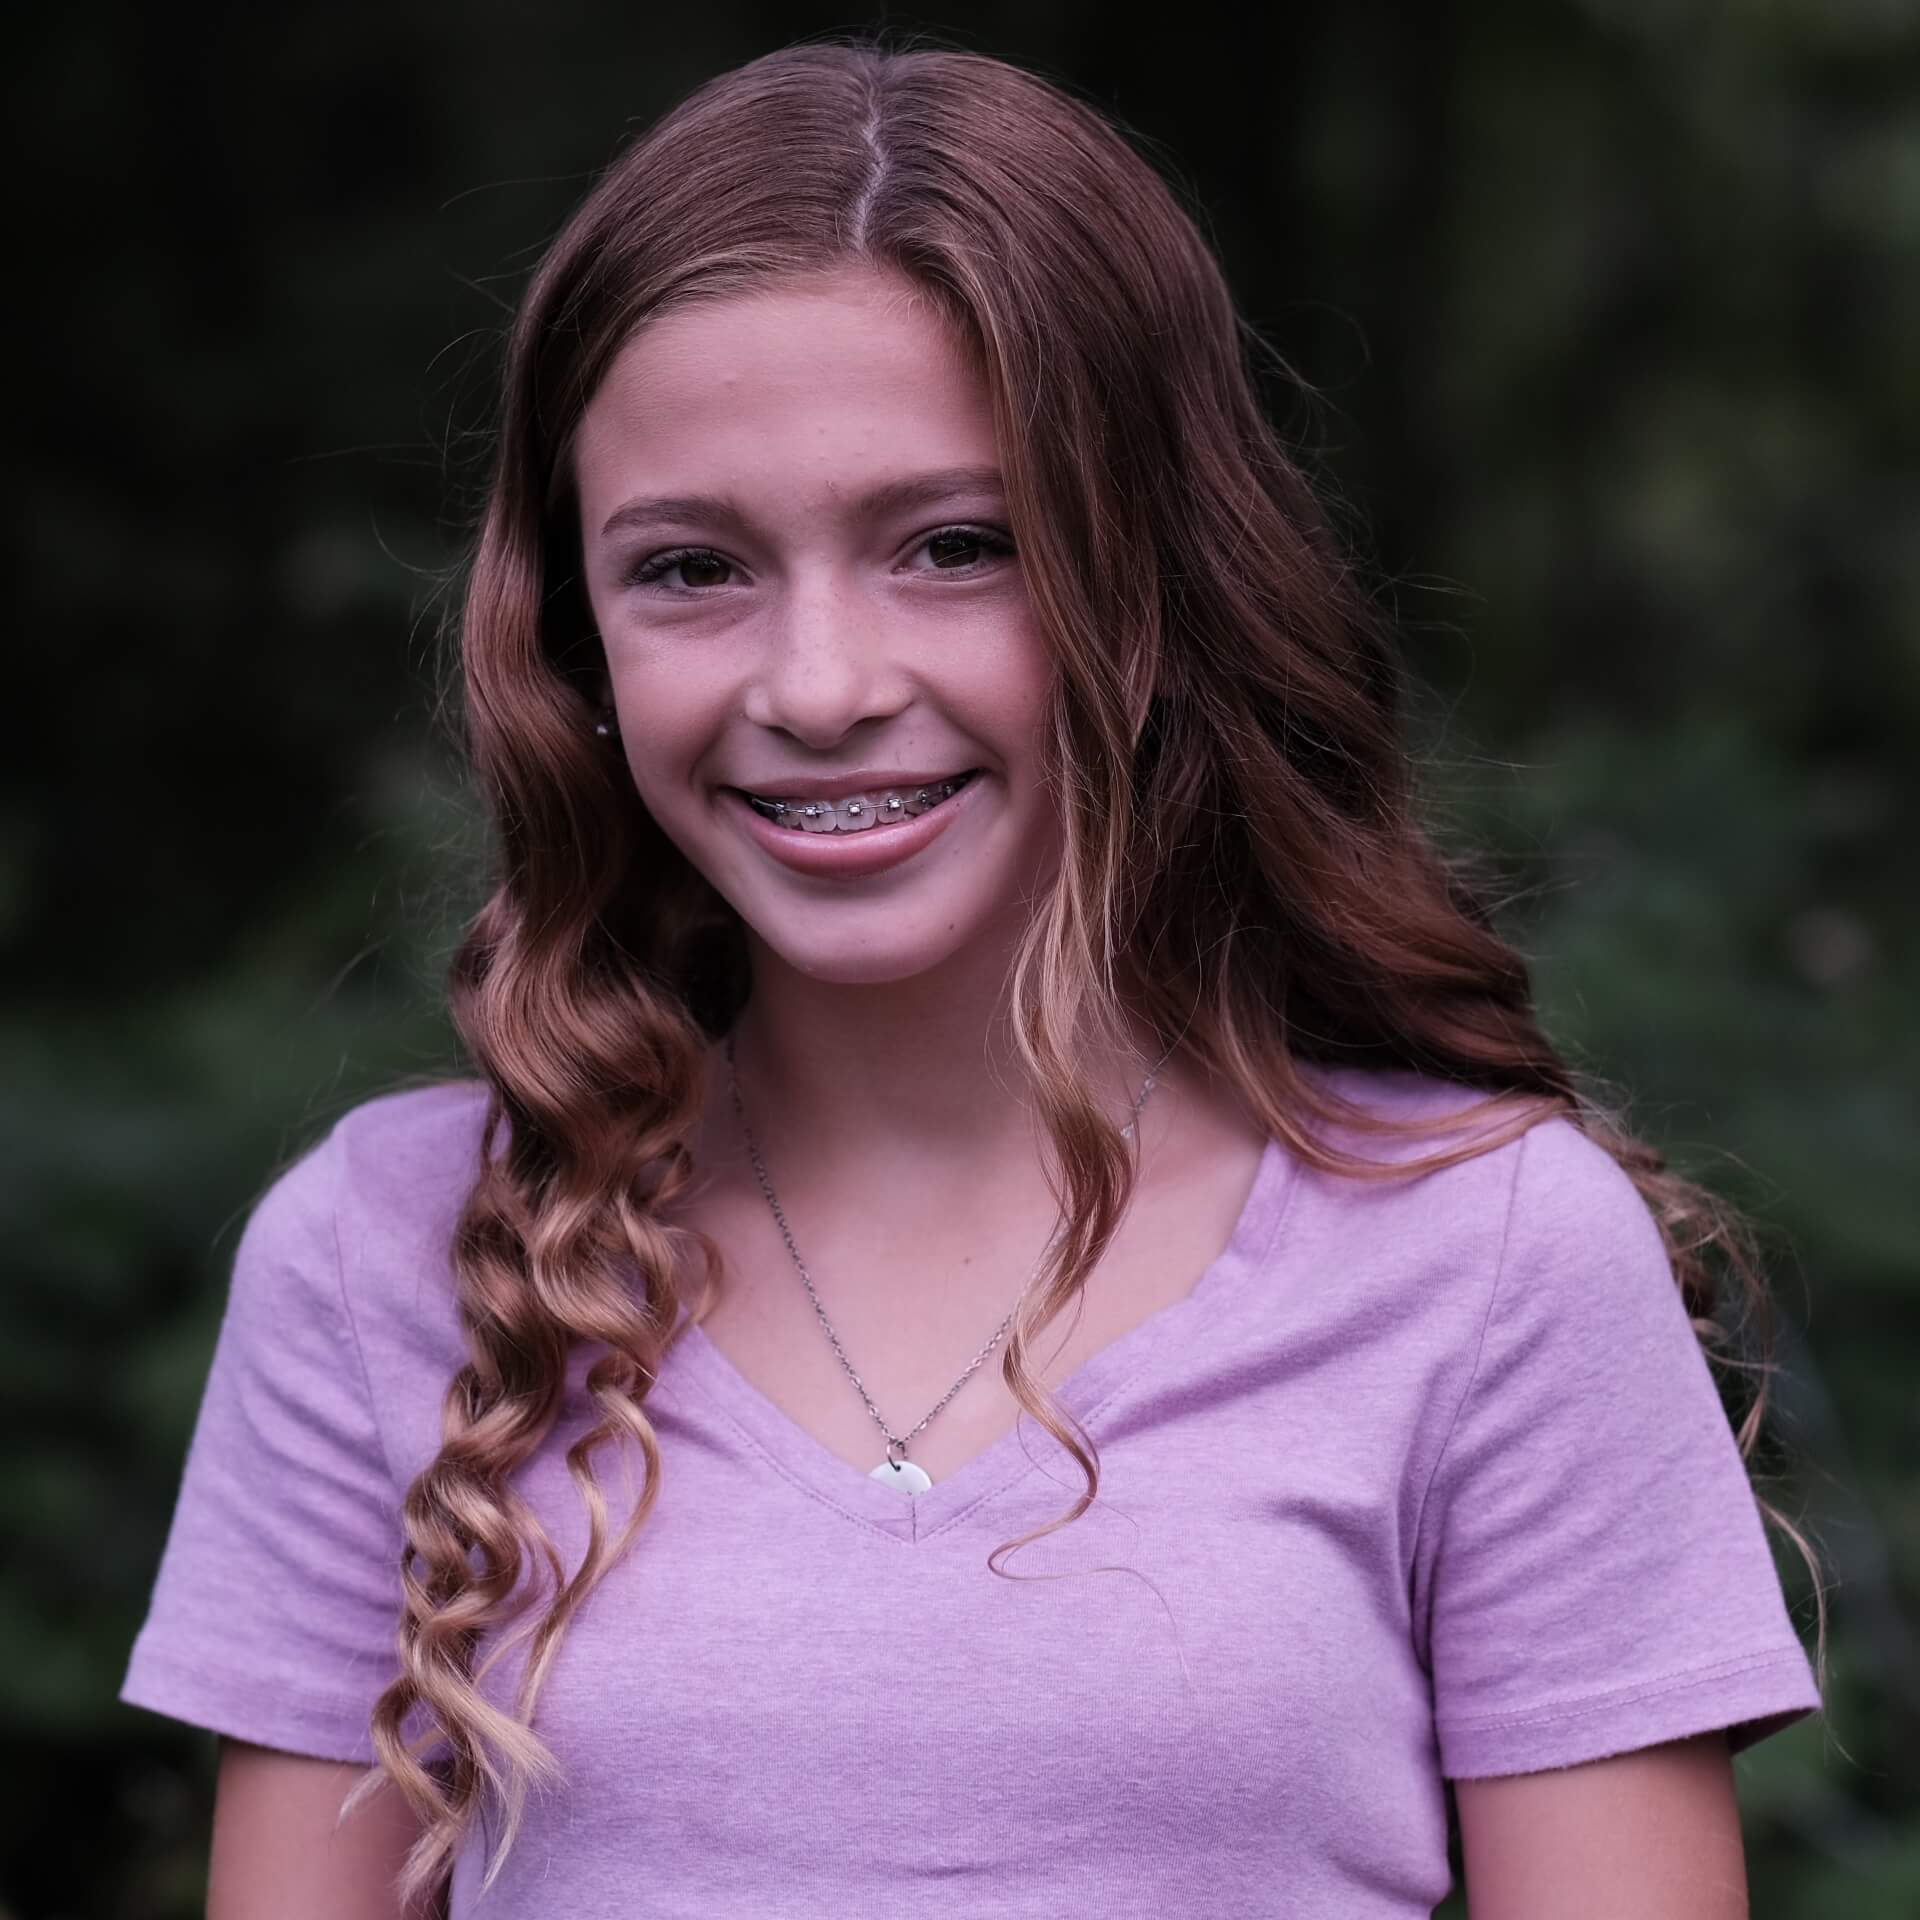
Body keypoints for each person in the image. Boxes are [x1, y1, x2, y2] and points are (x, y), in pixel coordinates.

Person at [118, 33, 1827, 1920]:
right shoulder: (382, 1255)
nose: (821, 683)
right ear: (571, 637)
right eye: (691, 568)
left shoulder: (1491, 1254)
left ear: (1158, 580)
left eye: (956, 546)